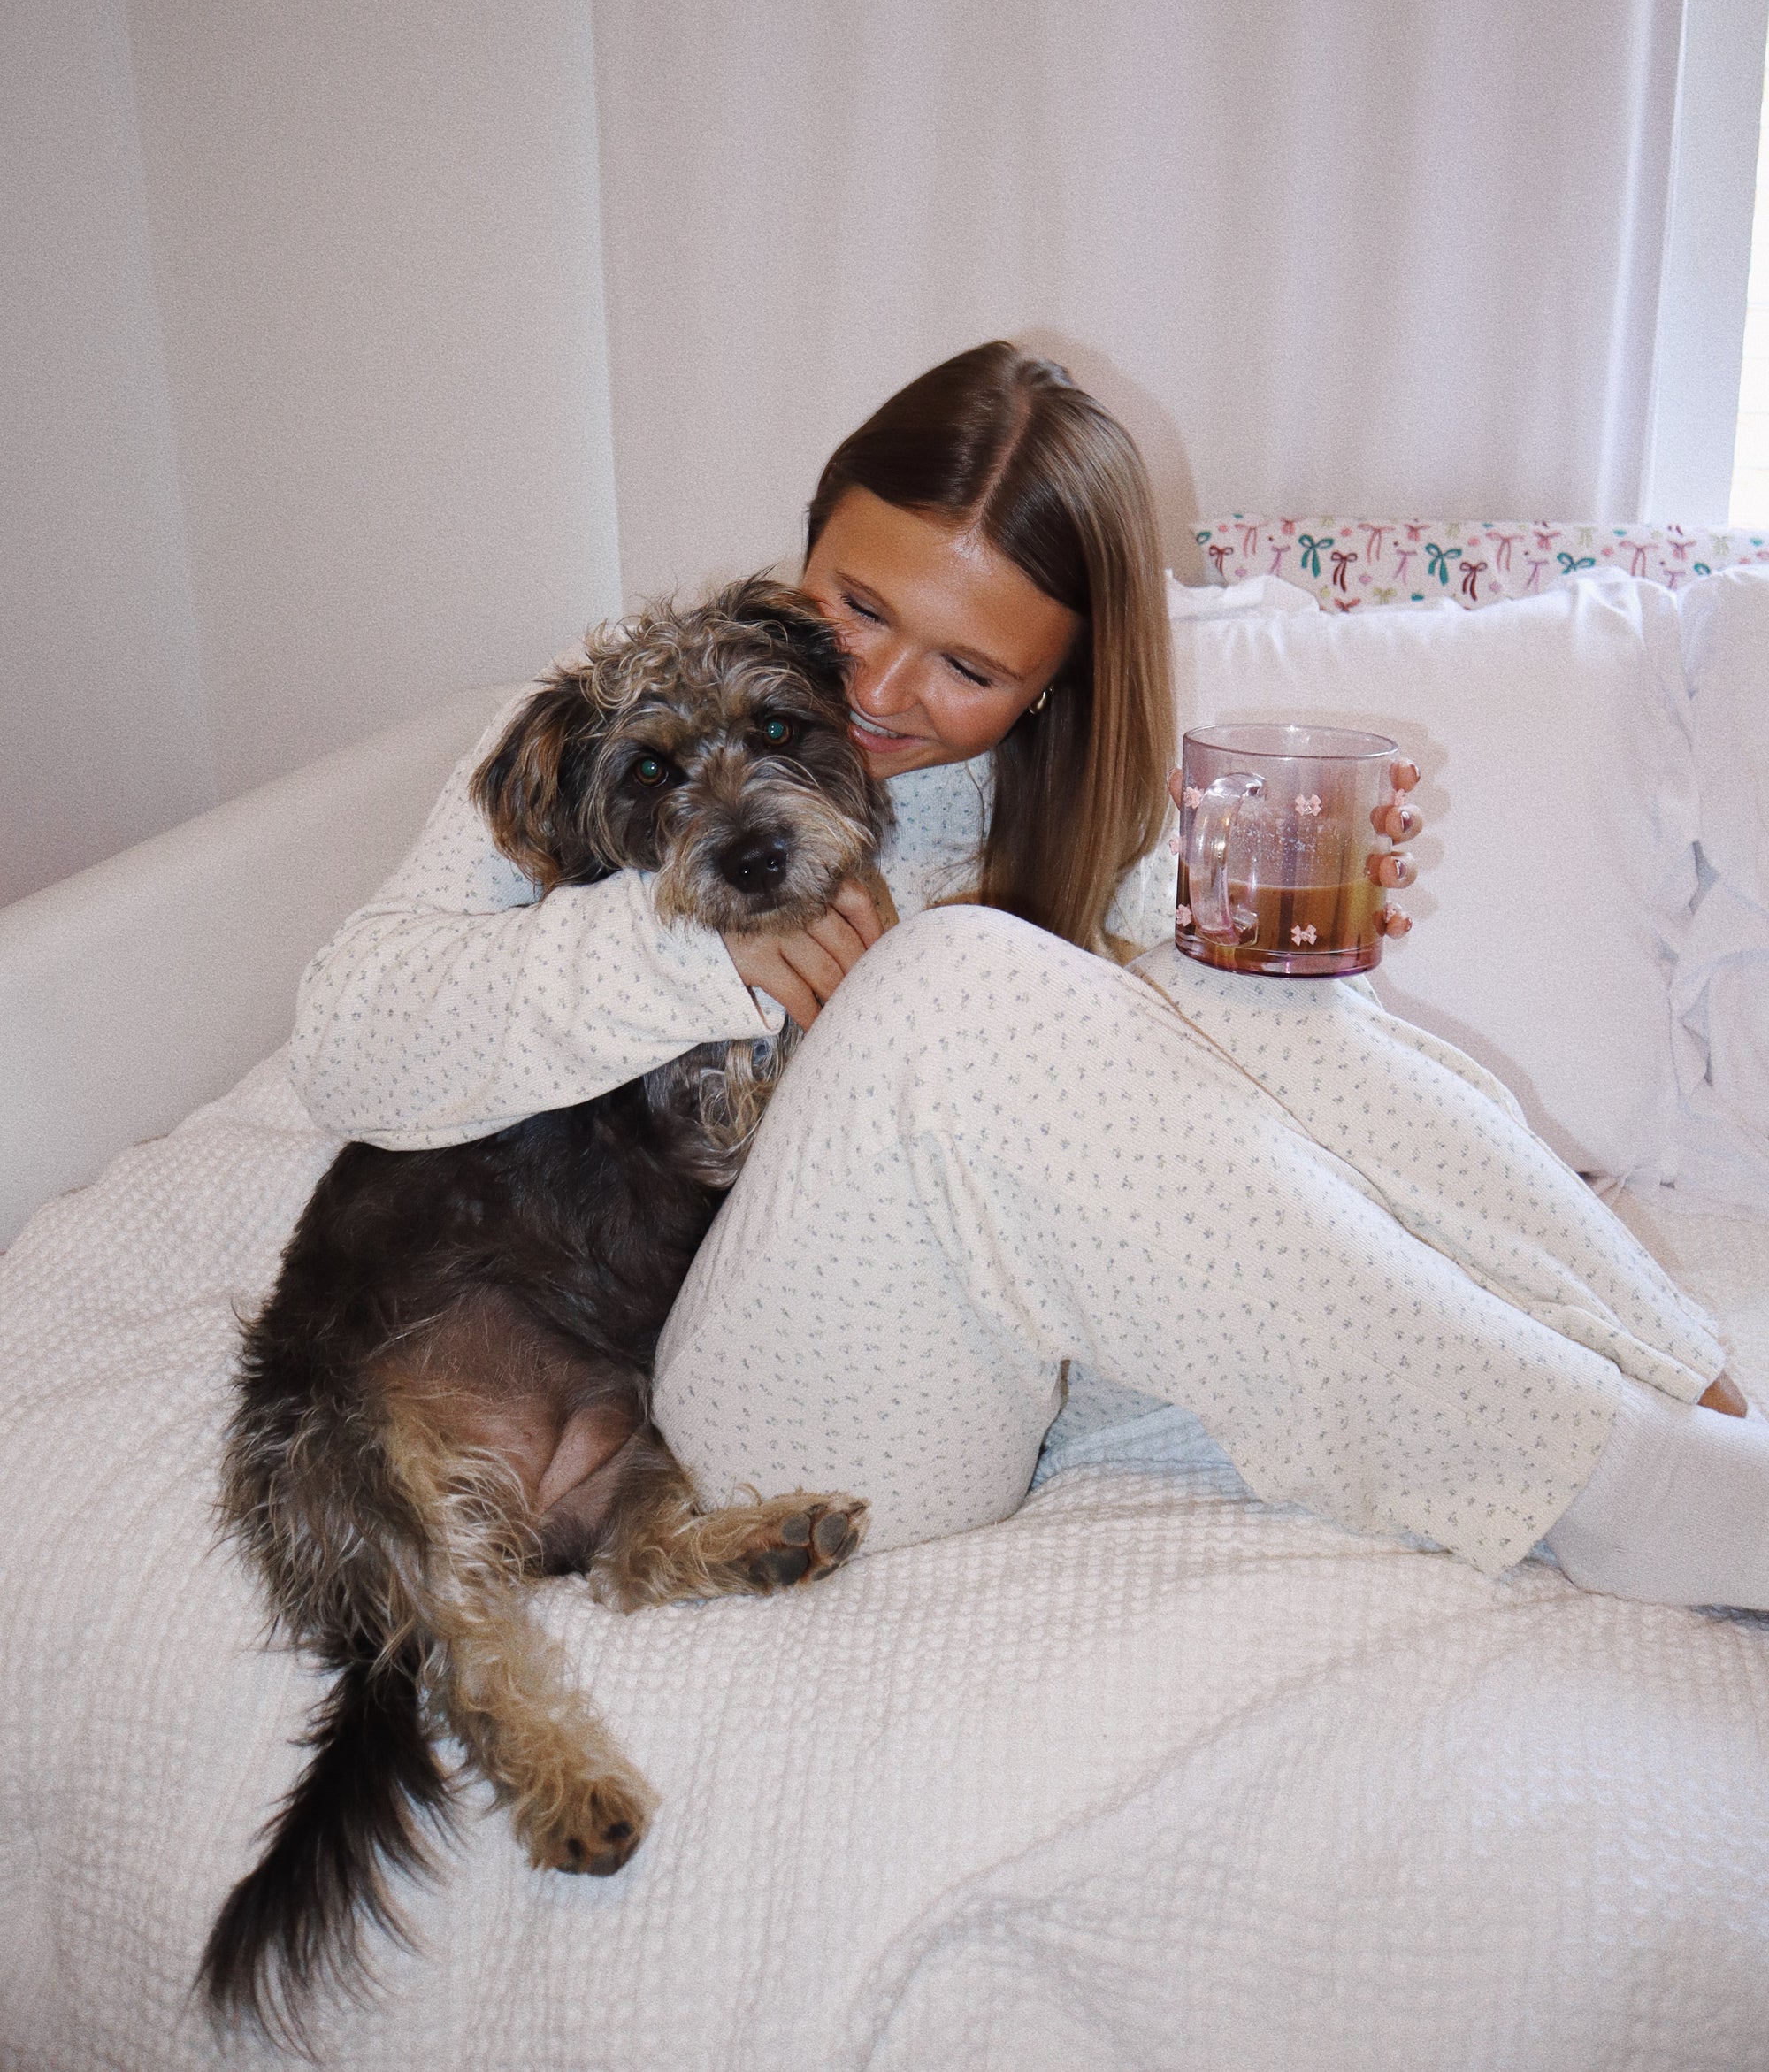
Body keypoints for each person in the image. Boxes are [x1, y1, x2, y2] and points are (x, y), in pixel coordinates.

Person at [292, 341, 1769, 1614]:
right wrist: (687, 943)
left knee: (1174, 1006)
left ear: (1054, 680)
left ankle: (1636, 1458)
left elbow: (1327, 1073)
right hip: (714, 1437)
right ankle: (1608, 1488)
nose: (875, 695)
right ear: (807, 544)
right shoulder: (655, 711)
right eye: (858, 607)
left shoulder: (1073, 817)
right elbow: (349, 1043)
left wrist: (1658, 1337)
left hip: (961, 1388)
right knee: (951, 977)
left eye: (968, 672)